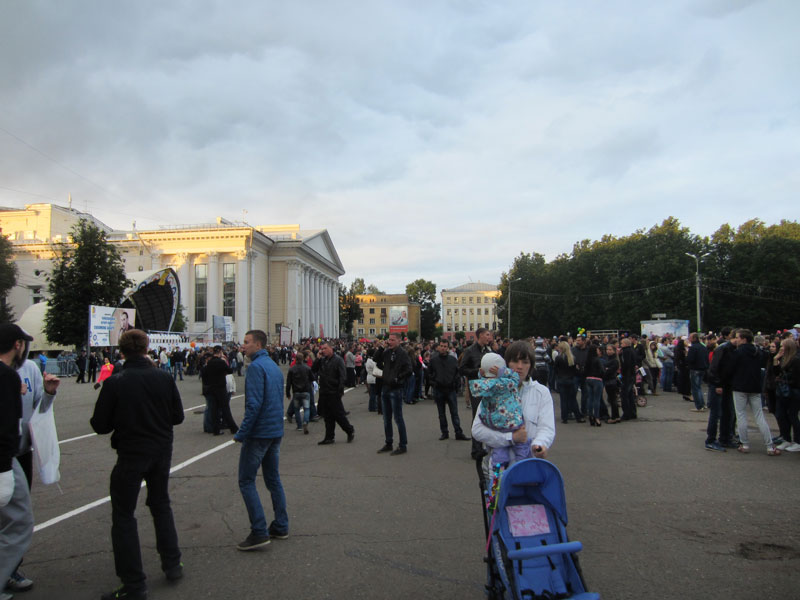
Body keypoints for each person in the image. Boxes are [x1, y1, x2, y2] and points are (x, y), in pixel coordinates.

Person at [90, 329, 184, 600]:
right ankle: (172, 562)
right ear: (146, 349)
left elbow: (100, 425)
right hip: (160, 450)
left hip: (131, 451)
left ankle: (133, 582)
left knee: (123, 515)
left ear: (122, 351)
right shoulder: (164, 378)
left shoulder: (117, 382)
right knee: (160, 504)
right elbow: (177, 416)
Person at [8, 330, 60, 593]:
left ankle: (11, 568)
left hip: (20, 452)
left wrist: (49, 393)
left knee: (17, 515)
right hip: (3, 452)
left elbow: (40, 409)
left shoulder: (29, 368)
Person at [234, 330, 288, 550]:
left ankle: (259, 530)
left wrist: (242, 433)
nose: (243, 346)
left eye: (246, 343)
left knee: (246, 481)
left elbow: (254, 405)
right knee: (273, 479)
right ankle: (281, 525)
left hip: (260, 433)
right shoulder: (273, 366)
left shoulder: (256, 367)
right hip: (275, 429)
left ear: (258, 344)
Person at [472, 341, 555, 465]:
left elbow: (546, 427)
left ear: (531, 365)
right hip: (498, 467)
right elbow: (478, 430)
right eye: (515, 361)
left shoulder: (541, 392)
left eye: (525, 362)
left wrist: (539, 444)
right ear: (506, 364)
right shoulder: (494, 390)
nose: (520, 366)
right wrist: (511, 438)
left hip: (529, 464)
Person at [0, 324, 36, 597]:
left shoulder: (23, 374)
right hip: (5, 459)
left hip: (14, 455)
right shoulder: (8, 377)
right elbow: (7, 426)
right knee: (21, 520)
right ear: (17, 345)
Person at [469, 353, 527, 466]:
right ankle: (521, 465)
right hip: (511, 422)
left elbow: (486, 382)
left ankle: (497, 476)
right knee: (521, 450)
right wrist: (503, 372)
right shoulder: (506, 383)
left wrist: (481, 375)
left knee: (498, 453)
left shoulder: (484, 385)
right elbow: (515, 378)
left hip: (494, 424)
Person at [729, 330, 781, 456]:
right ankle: (769, 446)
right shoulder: (758, 352)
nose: (736, 340)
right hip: (755, 386)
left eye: (738, 338)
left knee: (741, 415)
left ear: (743, 339)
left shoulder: (737, 353)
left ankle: (745, 444)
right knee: (759, 416)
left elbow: (731, 369)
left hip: (739, 386)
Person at [459, 328, 493, 459]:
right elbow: (462, 369)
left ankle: (486, 446)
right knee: (477, 417)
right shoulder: (470, 351)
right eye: (487, 335)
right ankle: (476, 449)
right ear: (479, 336)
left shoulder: (488, 350)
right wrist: (477, 371)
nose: (489, 337)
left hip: (488, 387)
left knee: (488, 417)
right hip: (477, 388)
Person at [313, 342, 355, 445]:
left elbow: (342, 375)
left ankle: (349, 430)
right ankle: (329, 437)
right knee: (328, 416)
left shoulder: (338, 360)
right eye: (322, 349)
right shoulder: (322, 360)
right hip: (324, 391)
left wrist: (340, 390)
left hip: (334, 391)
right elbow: (313, 370)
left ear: (331, 348)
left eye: (325, 348)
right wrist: (317, 359)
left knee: (338, 414)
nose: (323, 351)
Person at [378, 332, 412, 456]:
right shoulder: (386, 352)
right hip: (385, 387)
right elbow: (376, 359)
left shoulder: (403, 354)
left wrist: (398, 378)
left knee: (398, 418)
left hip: (396, 389)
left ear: (399, 341)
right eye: (389, 340)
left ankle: (402, 445)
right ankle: (388, 443)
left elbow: (409, 369)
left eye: (392, 340)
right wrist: (381, 347)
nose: (390, 342)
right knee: (386, 418)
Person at [428, 340, 469, 441]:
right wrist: (434, 383)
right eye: (441, 346)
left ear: (448, 347)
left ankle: (458, 432)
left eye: (445, 346)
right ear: (439, 347)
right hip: (439, 389)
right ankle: (444, 432)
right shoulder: (434, 360)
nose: (443, 348)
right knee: (441, 413)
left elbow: (457, 373)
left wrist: (456, 386)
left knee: (454, 412)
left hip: (450, 389)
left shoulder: (452, 359)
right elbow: (429, 374)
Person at [201, 346, 238, 436]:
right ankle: (233, 428)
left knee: (214, 409)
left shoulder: (209, 363)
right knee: (225, 408)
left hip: (212, 388)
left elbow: (204, 375)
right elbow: (229, 371)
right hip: (220, 388)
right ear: (220, 352)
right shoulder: (221, 362)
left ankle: (216, 429)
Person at [553, 341, 583, 424]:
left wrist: (559, 376)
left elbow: (555, 369)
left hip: (561, 380)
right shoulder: (572, 358)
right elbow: (575, 371)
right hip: (571, 380)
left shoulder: (558, 358)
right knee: (573, 399)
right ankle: (578, 416)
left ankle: (565, 417)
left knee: (563, 400)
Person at [286, 351, 314, 434]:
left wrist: (288, 393)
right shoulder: (307, 368)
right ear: (303, 359)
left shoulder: (292, 369)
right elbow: (312, 378)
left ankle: (299, 426)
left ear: (295, 359)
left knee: (296, 409)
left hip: (296, 391)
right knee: (307, 408)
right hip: (306, 390)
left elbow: (288, 382)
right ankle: (305, 421)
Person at [686, 333, 709, 411]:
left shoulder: (693, 348)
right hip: (703, 368)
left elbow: (690, 359)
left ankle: (699, 406)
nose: (689, 339)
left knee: (695, 388)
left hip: (695, 369)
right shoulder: (703, 347)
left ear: (694, 338)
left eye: (690, 337)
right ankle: (702, 404)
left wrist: (687, 358)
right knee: (698, 387)